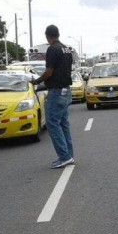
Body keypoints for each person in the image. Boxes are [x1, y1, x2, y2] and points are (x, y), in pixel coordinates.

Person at [31, 25, 74, 168]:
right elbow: (62, 71)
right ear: (58, 34)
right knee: (63, 124)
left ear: (47, 36)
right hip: (66, 90)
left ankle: (64, 156)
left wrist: (37, 81)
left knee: (52, 124)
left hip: (56, 92)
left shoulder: (52, 49)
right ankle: (69, 155)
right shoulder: (67, 49)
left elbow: (49, 72)